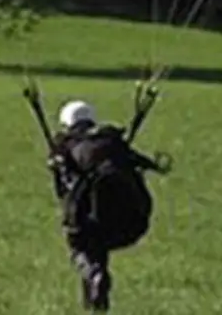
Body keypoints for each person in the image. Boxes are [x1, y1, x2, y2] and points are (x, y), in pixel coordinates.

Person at [45, 98, 166, 312]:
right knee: (96, 243)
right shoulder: (114, 142)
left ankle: (94, 274)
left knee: (81, 246)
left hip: (90, 224)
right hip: (132, 223)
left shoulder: (65, 147)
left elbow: (63, 192)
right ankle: (97, 303)